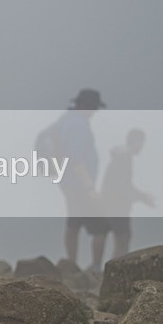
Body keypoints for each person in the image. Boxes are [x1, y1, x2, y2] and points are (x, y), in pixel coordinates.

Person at [56, 89, 109, 272]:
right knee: (101, 227)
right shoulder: (78, 125)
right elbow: (77, 159)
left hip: (69, 183)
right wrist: (89, 188)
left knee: (74, 222)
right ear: (86, 106)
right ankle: (94, 268)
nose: (94, 112)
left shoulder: (67, 120)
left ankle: (71, 264)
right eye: (93, 107)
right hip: (79, 184)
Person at [99, 129, 155, 260]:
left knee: (123, 237)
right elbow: (122, 185)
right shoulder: (124, 158)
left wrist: (142, 197)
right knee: (122, 238)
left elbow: (123, 184)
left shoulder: (122, 157)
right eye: (142, 143)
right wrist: (142, 197)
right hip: (117, 205)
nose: (142, 147)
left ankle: (115, 268)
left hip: (113, 203)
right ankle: (116, 269)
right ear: (136, 142)